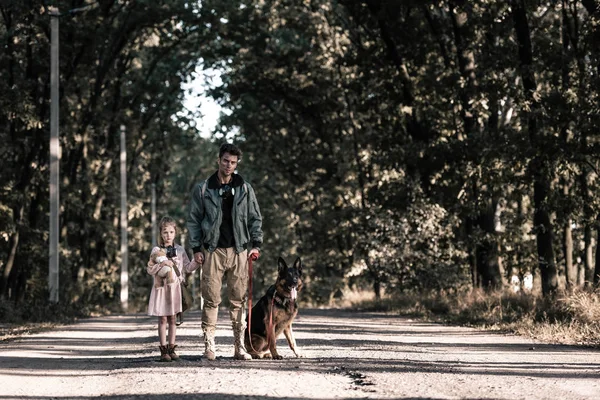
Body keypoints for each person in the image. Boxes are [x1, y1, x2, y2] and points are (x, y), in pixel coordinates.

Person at [187, 143, 263, 361]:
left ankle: (239, 346)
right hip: (212, 251)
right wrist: (196, 248)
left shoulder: (245, 188)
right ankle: (209, 345)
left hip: (239, 250)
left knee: (238, 300)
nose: (229, 165)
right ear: (218, 160)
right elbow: (194, 220)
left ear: (237, 163)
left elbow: (255, 217)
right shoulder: (203, 189)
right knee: (211, 299)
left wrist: (256, 244)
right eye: (225, 161)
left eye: (233, 162)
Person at [147, 216, 200, 362]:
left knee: (172, 318)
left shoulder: (180, 250)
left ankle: (172, 348)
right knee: (162, 318)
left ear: (175, 233)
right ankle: (163, 350)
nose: (168, 235)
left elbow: (188, 267)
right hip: (162, 289)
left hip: (175, 288)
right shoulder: (157, 250)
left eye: (171, 232)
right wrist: (164, 264)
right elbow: (150, 269)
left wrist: (197, 261)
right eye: (165, 232)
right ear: (161, 233)